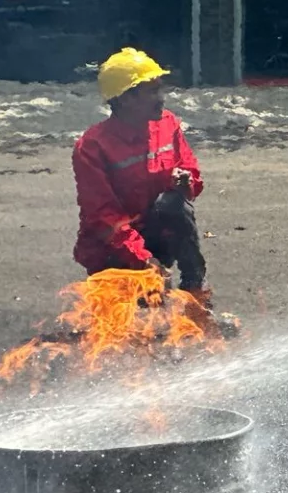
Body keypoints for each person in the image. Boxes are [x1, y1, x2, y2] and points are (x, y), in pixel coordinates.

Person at [73, 47, 212, 304]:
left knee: (174, 203)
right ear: (125, 99)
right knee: (132, 329)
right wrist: (144, 260)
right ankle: (142, 290)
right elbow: (103, 219)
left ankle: (195, 289)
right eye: (152, 91)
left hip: (157, 238)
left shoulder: (168, 124)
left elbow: (191, 171)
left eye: (161, 89)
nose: (161, 98)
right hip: (113, 252)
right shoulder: (93, 146)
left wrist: (186, 181)